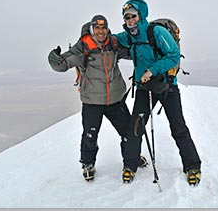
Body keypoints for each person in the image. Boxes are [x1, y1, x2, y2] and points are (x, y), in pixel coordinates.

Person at [48, 15, 147, 181]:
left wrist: (147, 48)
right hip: (92, 101)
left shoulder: (113, 43)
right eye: (97, 28)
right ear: (92, 29)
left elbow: (132, 53)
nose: (101, 31)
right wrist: (55, 61)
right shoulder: (83, 47)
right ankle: (88, 163)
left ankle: (132, 159)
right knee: (90, 135)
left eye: (104, 28)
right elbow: (65, 63)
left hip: (115, 99)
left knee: (129, 133)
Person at [114, 0, 202, 185]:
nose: (130, 20)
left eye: (133, 16)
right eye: (127, 17)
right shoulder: (129, 37)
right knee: (136, 126)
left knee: (178, 126)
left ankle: (193, 166)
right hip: (144, 88)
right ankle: (130, 164)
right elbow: (110, 39)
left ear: (142, 15)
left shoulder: (156, 32)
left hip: (166, 86)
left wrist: (151, 71)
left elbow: (173, 55)